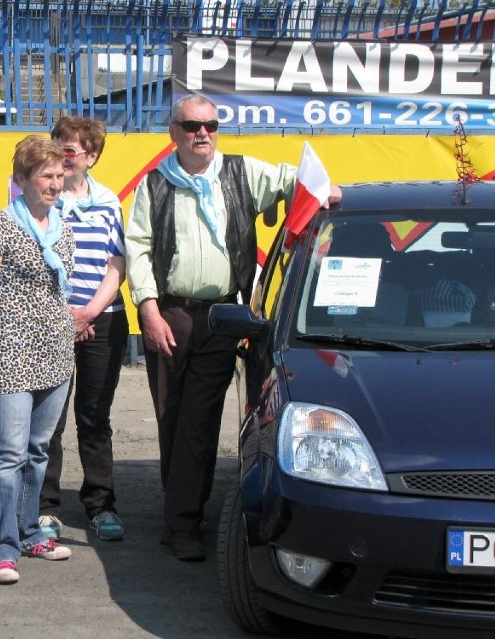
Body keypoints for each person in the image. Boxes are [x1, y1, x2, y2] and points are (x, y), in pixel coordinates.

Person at [124, 94, 341, 561]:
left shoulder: (242, 172)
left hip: (222, 316)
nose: (202, 132)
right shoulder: (155, 184)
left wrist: (325, 191)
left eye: (210, 124)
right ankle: (178, 513)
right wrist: (148, 309)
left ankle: (183, 523)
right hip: (170, 314)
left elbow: (293, 181)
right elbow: (137, 248)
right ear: (174, 132)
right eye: (191, 125)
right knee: (171, 419)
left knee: (198, 422)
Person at [0, 135, 77, 585]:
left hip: (54, 355)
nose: (54, 183)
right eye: (44, 175)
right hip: (9, 353)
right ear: (21, 180)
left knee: (37, 450)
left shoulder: (61, 226)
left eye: (58, 174)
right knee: (8, 454)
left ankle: (30, 533)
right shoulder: (1, 227)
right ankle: (0, 548)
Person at [38, 116, 129, 542]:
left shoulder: (109, 202)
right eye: (56, 147)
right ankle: (44, 508)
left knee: (94, 419)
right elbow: (35, 263)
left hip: (102, 322)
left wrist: (89, 312)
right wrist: (65, 316)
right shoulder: (38, 200)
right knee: (48, 419)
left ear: (91, 157)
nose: (61, 157)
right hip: (52, 320)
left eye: (70, 151)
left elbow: (117, 265)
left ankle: (100, 506)